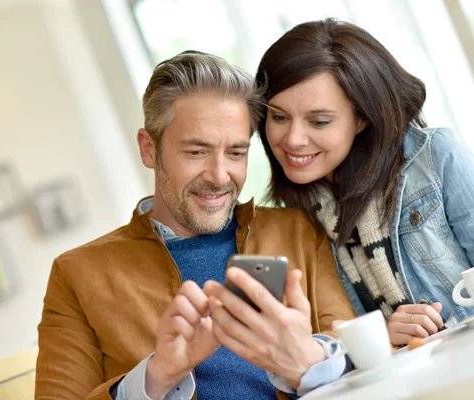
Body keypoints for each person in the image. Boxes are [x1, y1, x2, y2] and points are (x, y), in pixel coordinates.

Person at [35, 50, 356, 400]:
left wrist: (307, 362)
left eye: (236, 153)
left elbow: (356, 358)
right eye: (196, 152)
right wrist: (156, 377)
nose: (220, 177)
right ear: (149, 149)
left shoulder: (299, 231)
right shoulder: (77, 275)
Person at [255, 18, 474, 348]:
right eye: (279, 116)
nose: (293, 139)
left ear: (362, 118)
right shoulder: (301, 215)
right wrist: (383, 339)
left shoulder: (435, 158)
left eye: (319, 121)